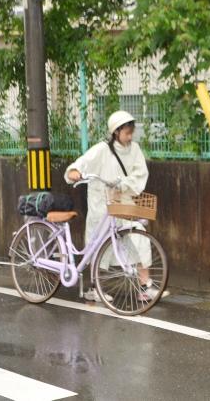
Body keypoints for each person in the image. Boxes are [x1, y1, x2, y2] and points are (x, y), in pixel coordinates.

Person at [64, 111, 155, 302]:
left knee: (138, 236)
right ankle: (94, 288)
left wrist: (123, 185)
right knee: (98, 243)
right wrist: (74, 171)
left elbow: (141, 174)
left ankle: (145, 286)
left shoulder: (135, 149)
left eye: (131, 132)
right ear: (116, 132)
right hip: (101, 204)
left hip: (124, 203)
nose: (130, 136)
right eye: (126, 133)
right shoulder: (102, 149)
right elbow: (83, 163)